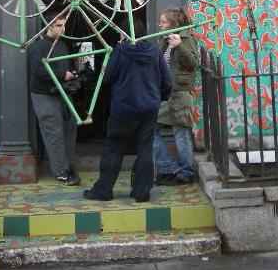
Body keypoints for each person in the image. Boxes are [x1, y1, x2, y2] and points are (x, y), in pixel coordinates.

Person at [84, 17, 172, 202]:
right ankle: (142, 191)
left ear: (122, 33)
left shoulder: (120, 51)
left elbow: (107, 77)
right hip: (149, 107)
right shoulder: (155, 51)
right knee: (145, 148)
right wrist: (158, 98)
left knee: (114, 148)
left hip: (123, 107)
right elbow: (167, 81)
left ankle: (104, 190)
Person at [28, 13, 80, 186]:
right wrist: (63, 75)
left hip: (63, 94)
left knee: (69, 130)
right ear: (48, 26)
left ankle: (68, 167)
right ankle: (61, 172)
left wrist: (72, 75)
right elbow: (38, 71)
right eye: (58, 25)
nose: (62, 29)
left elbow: (67, 66)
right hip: (45, 95)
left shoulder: (62, 44)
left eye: (63, 25)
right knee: (54, 133)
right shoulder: (38, 47)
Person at [154, 8, 199, 185]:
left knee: (181, 133)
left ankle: (186, 172)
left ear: (174, 24)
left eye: (163, 22)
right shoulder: (164, 40)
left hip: (180, 93)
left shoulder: (185, 39)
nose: (160, 24)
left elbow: (193, 64)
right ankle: (169, 167)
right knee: (151, 128)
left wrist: (179, 45)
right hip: (167, 94)